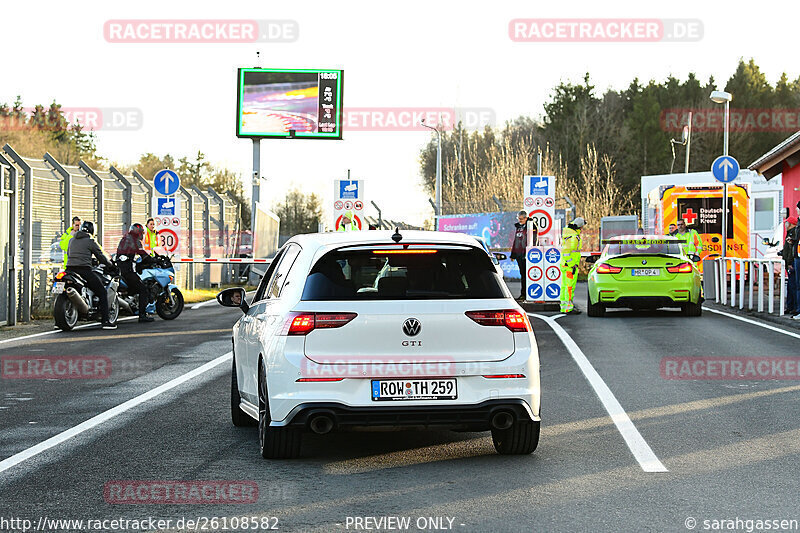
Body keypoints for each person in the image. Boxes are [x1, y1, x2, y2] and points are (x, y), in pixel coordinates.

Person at [66, 221, 116, 329]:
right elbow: (101, 256)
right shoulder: (90, 240)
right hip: (84, 270)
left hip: (69, 269)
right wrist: (111, 265)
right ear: (93, 230)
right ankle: (105, 321)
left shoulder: (71, 240)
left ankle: (59, 322)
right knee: (102, 292)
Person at [116, 223, 155, 323]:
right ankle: (142, 315)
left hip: (119, 268)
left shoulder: (124, 239)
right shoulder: (135, 241)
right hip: (127, 271)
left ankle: (133, 306)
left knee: (133, 287)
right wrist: (154, 260)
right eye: (141, 233)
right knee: (143, 289)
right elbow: (144, 256)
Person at [560, 217, 585, 314]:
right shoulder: (574, 237)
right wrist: (572, 265)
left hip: (565, 265)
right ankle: (568, 308)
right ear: (579, 227)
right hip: (570, 267)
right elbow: (567, 252)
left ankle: (564, 306)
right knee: (570, 287)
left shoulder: (568, 235)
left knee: (564, 287)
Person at [510, 210, 537, 300]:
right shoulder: (518, 227)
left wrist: (530, 253)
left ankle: (529, 294)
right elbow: (516, 241)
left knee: (528, 275)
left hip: (527, 255)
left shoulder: (531, 226)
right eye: (519, 219)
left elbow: (534, 239)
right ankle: (523, 294)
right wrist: (513, 254)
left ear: (526, 218)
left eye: (522, 219)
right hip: (519, 254)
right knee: (523, 275)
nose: (520, 220)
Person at [782, 216, 797, 315]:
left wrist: (790, 262)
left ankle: (792, 307)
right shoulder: (790, 233)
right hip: (789, 263)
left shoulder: (792, 233)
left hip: (791, 264)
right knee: (790, 286)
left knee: (792, 286)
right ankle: (790, 306)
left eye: (786, 223)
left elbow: (791, 251)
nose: (785, 225)